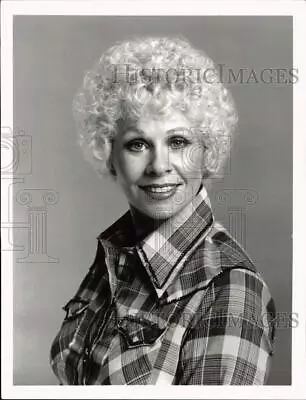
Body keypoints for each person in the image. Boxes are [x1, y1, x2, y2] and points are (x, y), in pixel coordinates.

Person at [50, 36, 276, 385]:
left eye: (178, 142)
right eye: (138, 144)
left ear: (207, 149)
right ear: (109, 153)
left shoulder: (230, 291)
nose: (159, 166)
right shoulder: (116, 254)